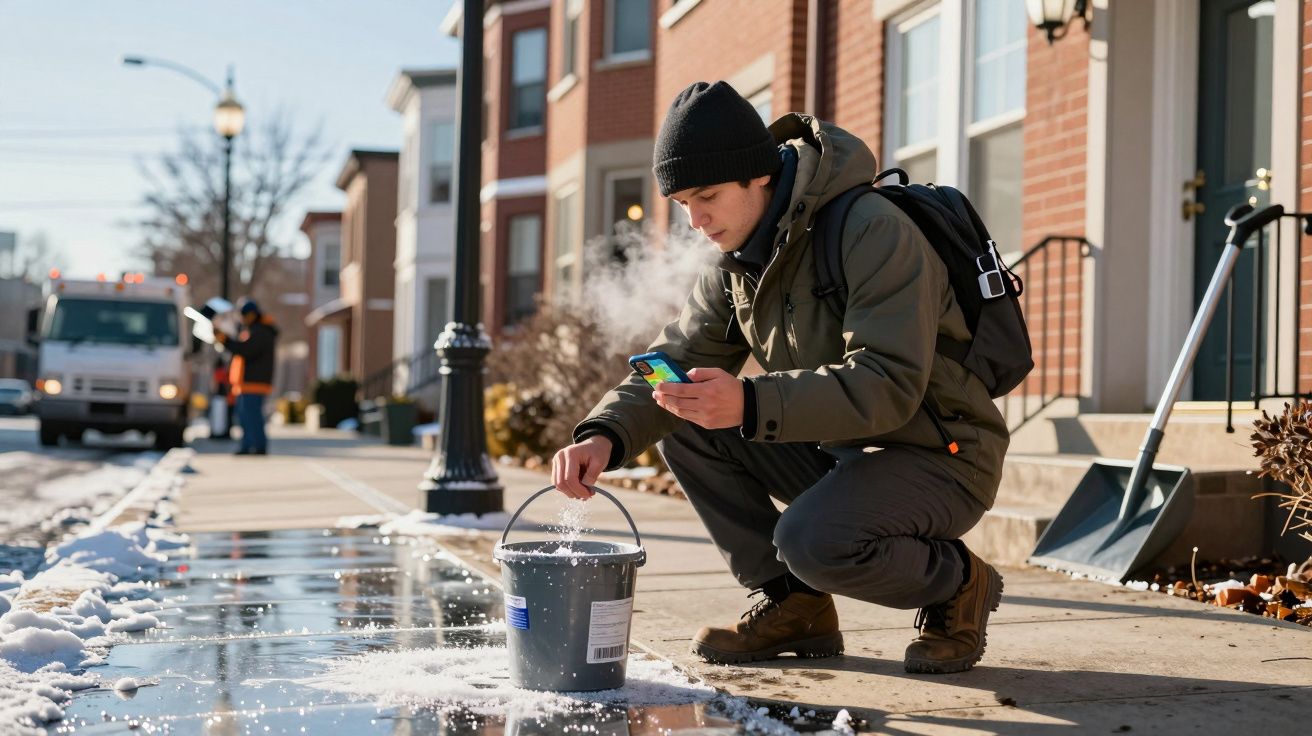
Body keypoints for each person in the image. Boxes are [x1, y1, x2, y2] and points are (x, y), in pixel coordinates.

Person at [551, 81, 1011, 674]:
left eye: (708, 196)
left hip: (942, 453)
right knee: (682, 411)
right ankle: (795, 605)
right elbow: (678, 354)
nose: (695, 219)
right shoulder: (739, 262)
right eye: (683, 202)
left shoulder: (872, 229)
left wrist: (748, 401)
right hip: (844, 449)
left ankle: (959, 583)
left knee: (813, 542)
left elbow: (888, 383)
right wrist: (604, 435)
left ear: (760, 175)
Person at [215, 299, 278, 456]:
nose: (242, 319)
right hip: (246, 383)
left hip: (254, 382)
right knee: (245, 416)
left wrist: (225, 341)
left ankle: (257, 446)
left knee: (252, 416)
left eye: (244, 315)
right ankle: (248, 445)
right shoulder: (252, 330)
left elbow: (245, 350)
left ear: (251, 315)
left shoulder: (261, 332)